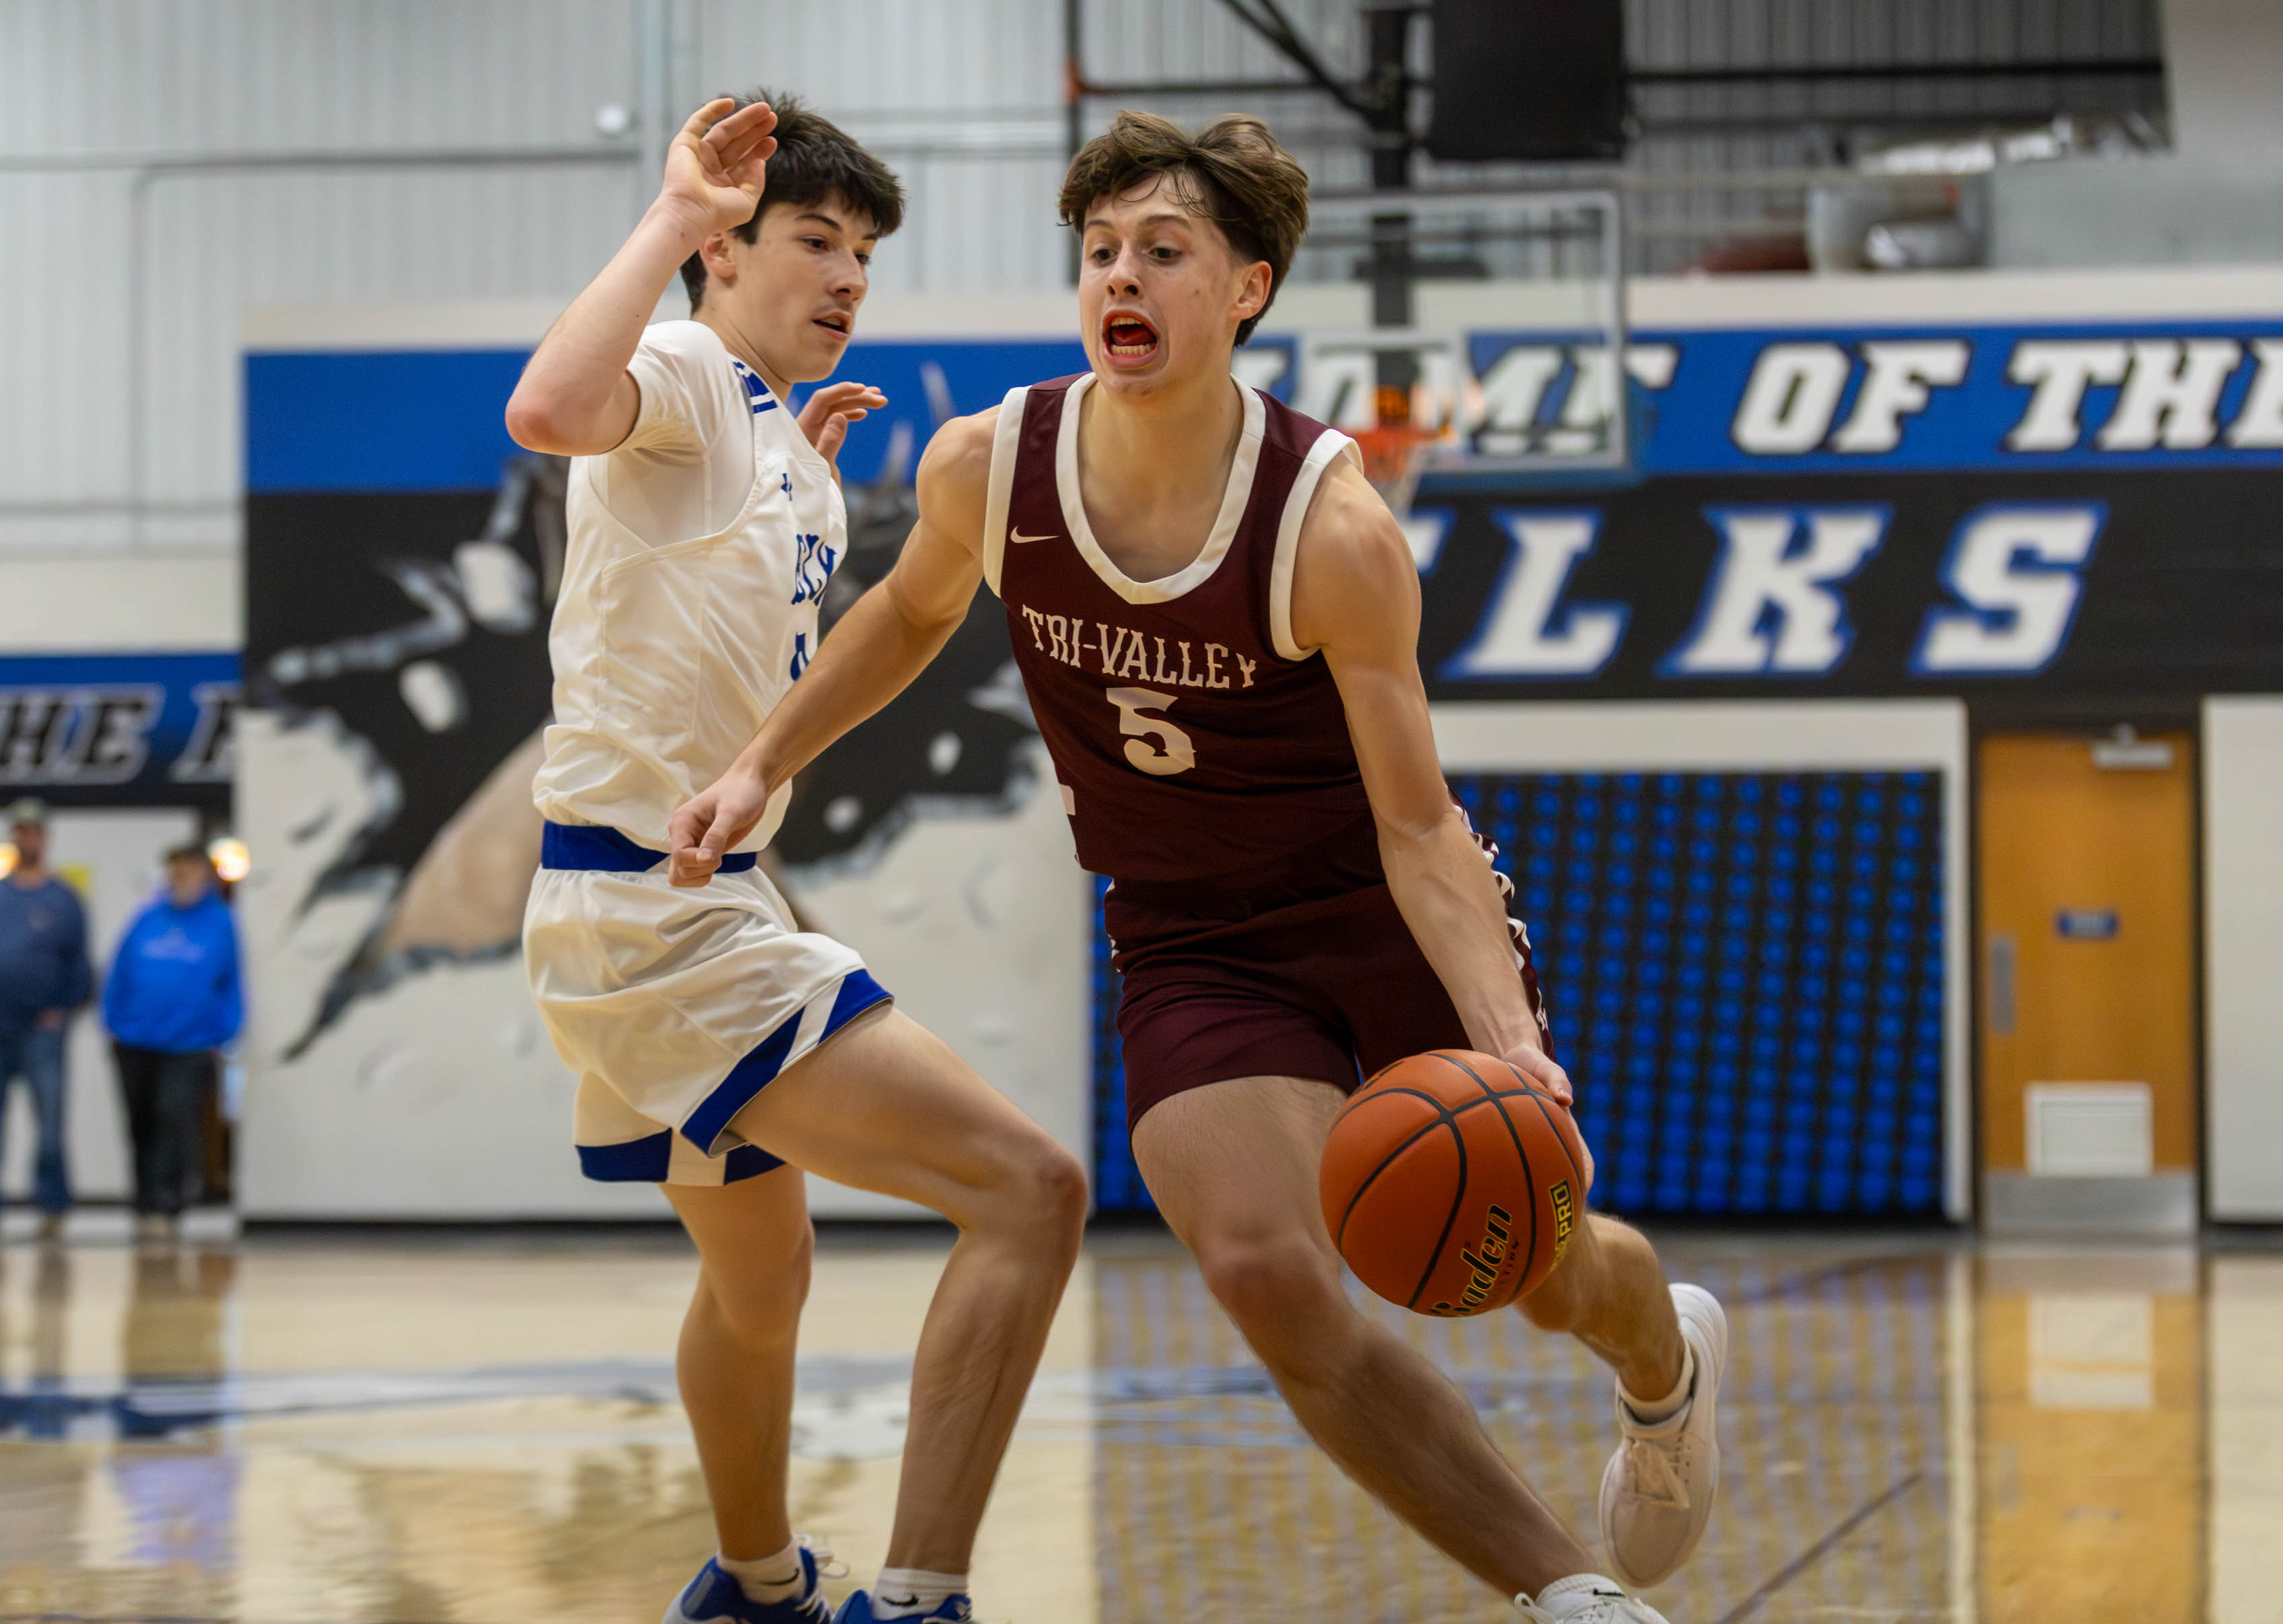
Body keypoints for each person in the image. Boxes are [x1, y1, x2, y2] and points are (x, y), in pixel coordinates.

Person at [671, 111, 1729, 1624]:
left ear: (1248, 286)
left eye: (1164, 253)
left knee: (1524, 1273)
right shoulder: (996, 466)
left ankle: (1662, 1357)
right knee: (1267, 1269)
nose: (1123, 277)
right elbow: (906, 617)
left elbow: (1423, 829)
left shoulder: (1334, 526)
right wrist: (763, 759)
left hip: (1377, 912)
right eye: (1102, 252)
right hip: (1190, 939)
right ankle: (1570, 1597)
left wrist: (1510, 1047)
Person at [503, 92, 1087, 1624]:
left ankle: (754, 1584)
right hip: (658, 920)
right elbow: (551, 410)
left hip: (668, 899)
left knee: (763, 1280)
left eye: (865, 257)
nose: (846, 276)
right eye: (814, 241)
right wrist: (670, 214)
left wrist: (792, 462)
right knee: (1028, 1185)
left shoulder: (777, 435)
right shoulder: (692, 367)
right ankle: (920, 1590)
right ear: (727, 253)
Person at [0, 799, 92, 1244]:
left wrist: (63, 1008)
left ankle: (52, 1207)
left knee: (49, 1121)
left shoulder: (63, 900)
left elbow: (80, 966)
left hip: (39, 1030)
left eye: (34, 832)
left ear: (44, 839)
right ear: (12, 837)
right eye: (20, 831)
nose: (26, 839)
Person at [102, 844, 244, 1244]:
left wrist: (225, 1031)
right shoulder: (147, 918)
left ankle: (168, 1203)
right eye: (175, 871)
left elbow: (233, 982)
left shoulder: (221, 923)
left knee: (174, 1119)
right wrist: (113, 1022)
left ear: (205, 874)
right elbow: (118, 971)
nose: (181, 878)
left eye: (189, 870)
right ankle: (144, 1203)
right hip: (134, 1040)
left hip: (190, 1044)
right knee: (140, 1123)